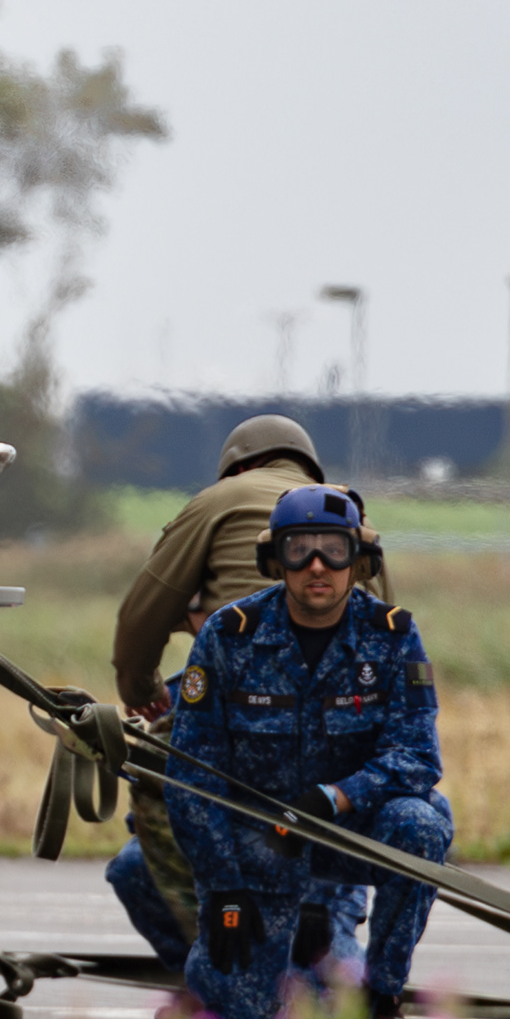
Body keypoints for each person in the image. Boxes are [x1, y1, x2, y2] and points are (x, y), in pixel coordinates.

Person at [161, 484, 450, 1019]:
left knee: (423, 823)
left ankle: (380, 1003)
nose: (317, 566)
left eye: (333, 550)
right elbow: (192, 779)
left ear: (357, 560)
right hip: (263, 846)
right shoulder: (229, 636)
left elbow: (418, 756)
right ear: (276, 560)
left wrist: (337, 796)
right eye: (300, 550)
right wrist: (223, 890)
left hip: (350, 829)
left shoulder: (391, 636)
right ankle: (226, 980)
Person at [103, 414, 389, 971]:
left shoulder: (217, 501)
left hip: (236, 737)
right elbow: (385, 634)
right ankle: (334, 974)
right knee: (325, 903)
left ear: (239, 464)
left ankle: (221, 977)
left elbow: (143, 615)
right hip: (337, 756)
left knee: (137, 865)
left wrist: (139, 690)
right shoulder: (351, 520)